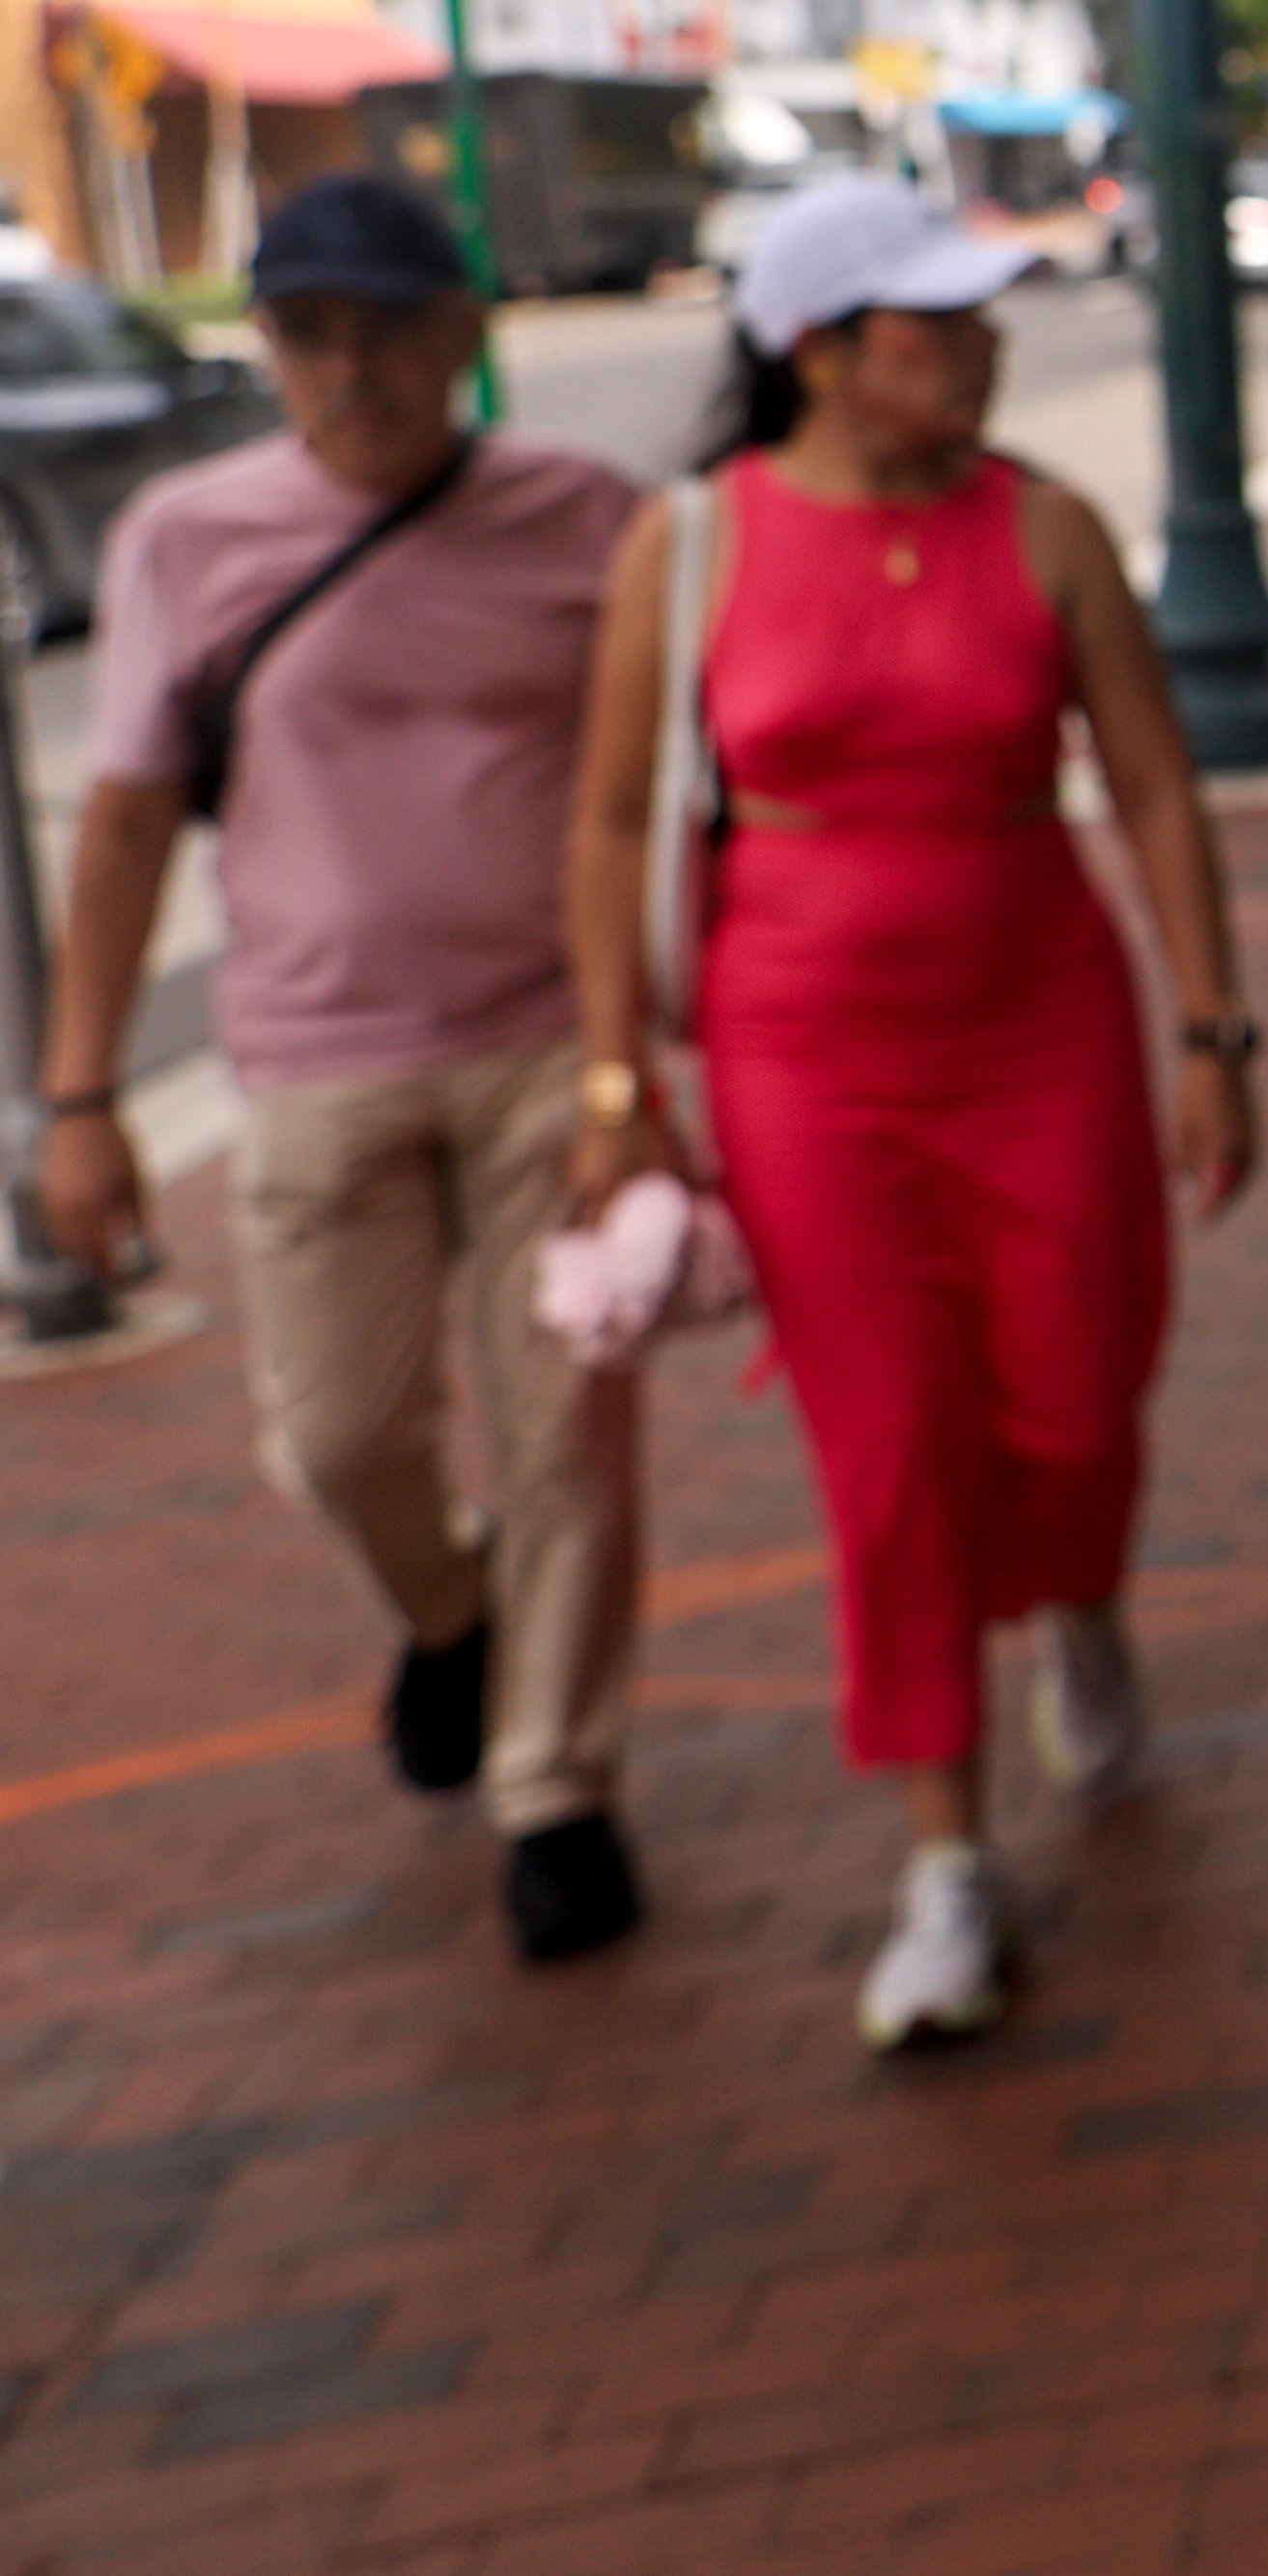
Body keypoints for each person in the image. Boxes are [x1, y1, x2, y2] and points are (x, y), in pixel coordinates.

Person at [560, 179, 1263, 2050]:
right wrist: (621, 1082)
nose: (978, 346)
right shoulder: (692, 546)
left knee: (1076, 1381)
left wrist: (1215, 1029)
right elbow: (616, 820)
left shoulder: (1048, 533)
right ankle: (948, 1858)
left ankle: (1082, 1591)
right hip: (803, 1059)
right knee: (887, 1451)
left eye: (979, 319)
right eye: (931, 323)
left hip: (1041, 1026)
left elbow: (1159, 789)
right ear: (818, 352)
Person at [29, 176, 648, 1962]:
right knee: (337, 1438)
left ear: (463, 337)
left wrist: (647, 1059)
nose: (349, 369)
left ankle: (558, 1788)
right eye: (307, 333)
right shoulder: (184, 537)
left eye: (387, 327)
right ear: (270, 349)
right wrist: (83, 1102)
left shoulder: (587, 519)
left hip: (553, 1046)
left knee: (572, 1451)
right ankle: (448, 1614)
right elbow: (132, 818)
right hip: (318, 1057)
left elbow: (654, 801)